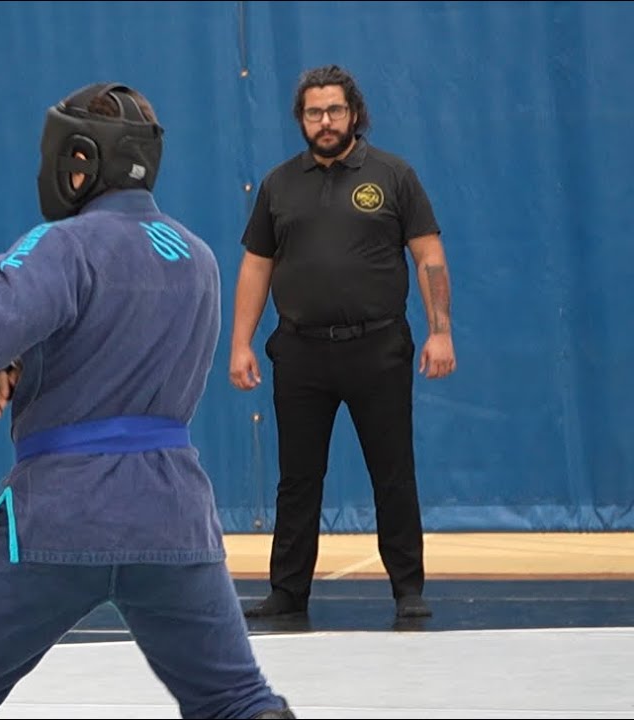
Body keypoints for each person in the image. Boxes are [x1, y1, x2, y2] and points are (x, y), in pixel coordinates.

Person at [0, 82, 295, 719]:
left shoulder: (62, 245)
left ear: (80, 157)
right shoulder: (198, 258)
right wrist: (23, 361)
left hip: (63, 515)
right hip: (173, 520)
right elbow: (113, 347)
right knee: (238, 701)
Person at [228, 64, 456, 621]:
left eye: (334, 110)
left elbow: (428, 255)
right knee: (297, 479)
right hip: (300, 352)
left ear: (353, 113)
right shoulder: (279, 185)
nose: (325, 121)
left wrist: (440, 331)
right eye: (314, 112)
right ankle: (288, 591)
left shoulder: (393, 175)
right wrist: (240, 343)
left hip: (378, 348)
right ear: (301, 119)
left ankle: (407, 588)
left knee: (392, 472)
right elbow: (256, 266)